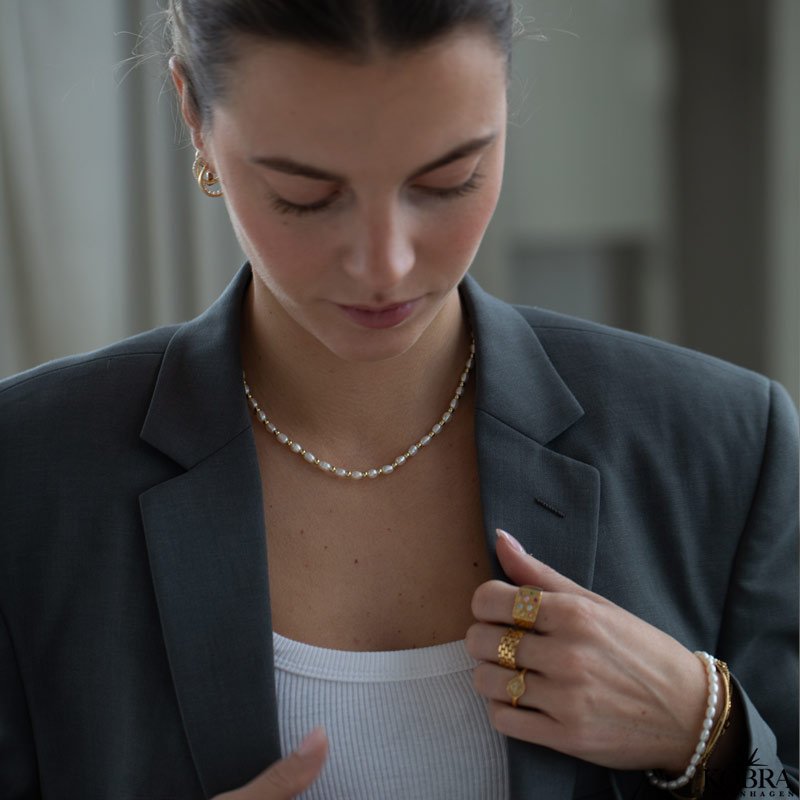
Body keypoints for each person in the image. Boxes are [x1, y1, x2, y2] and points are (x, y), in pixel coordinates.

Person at [0, 1, 796, 798]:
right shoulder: (29, 474)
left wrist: (709, 731)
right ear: (195, 120)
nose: (385, 263)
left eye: (449, 179)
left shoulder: (726, 447)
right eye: (304, 193)